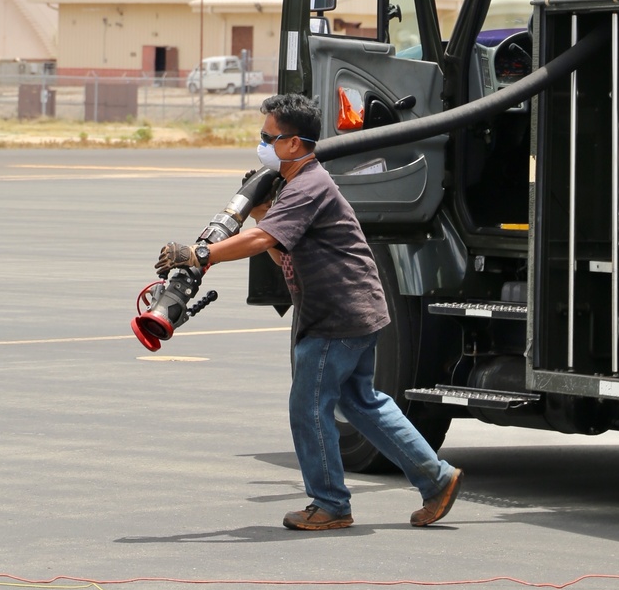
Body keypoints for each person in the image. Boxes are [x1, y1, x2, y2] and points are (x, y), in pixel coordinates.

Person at [155, 92, 462, 532]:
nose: (263, 145)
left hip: (336, 316)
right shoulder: (303, 186)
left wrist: (199, 253)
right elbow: (282, 249)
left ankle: (331, 504)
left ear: (295, 144)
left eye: (269, 137)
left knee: (309, 407)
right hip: (355, 309)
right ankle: (437, 479)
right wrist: (262, 213)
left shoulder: (308, 186)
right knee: (362, 401)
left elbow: (262, 241)